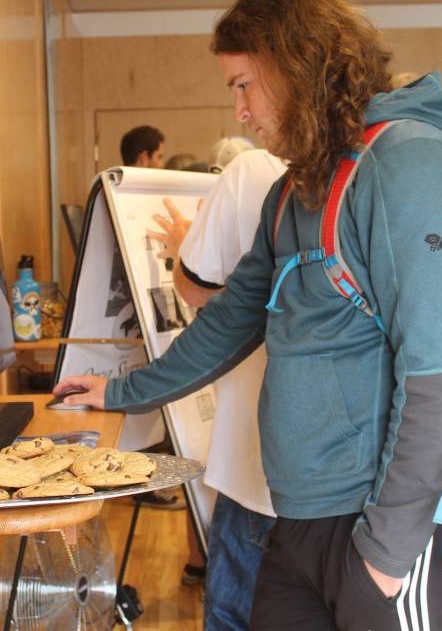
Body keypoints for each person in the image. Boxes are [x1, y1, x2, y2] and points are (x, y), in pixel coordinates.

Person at [56, 0, 442, 630]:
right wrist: (122, 392)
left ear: (295, 70)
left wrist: (384, 554)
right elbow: (233, 320)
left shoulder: (408, 167)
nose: (239, 111)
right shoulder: (294, 189)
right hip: (302, 518)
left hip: (391, 522)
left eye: (242, 85)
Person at [148, 148, 284, 628]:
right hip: (319, 478)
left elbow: (195, 289)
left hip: (256, 470)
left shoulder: (252, 171)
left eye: (242, 85)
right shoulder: (345, 179)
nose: (241, 108)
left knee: (233, 612)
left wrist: (187, 245)